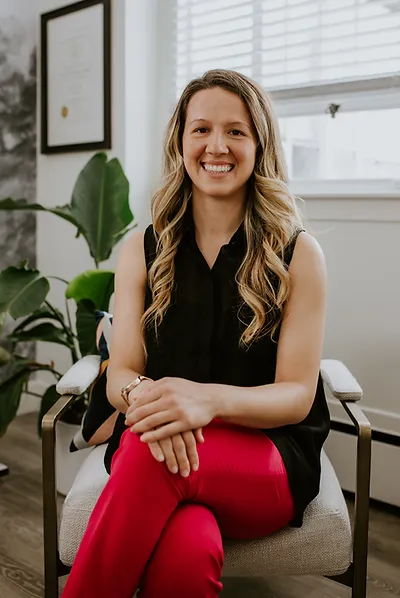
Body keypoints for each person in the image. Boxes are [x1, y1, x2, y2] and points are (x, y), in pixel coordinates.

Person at [62, 69, 330, 598]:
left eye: (236, 131)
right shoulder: (141, 249)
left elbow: (297, 397)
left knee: (145, 447)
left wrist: (202, 402)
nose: (217, 146)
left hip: (267, 459)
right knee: (188, 543)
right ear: (180, 141)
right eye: (201, 128)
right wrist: (151, 397)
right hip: (163, 440)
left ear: (260, 145)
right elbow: (120, 374)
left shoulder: (299, 253)